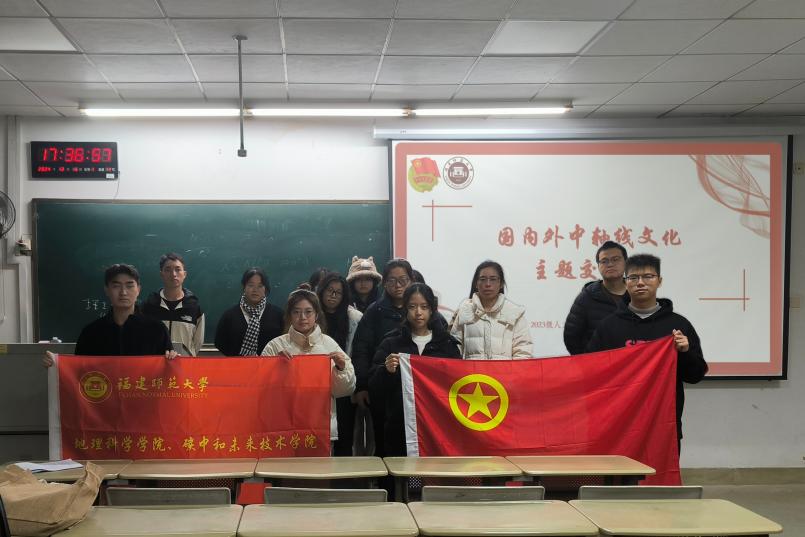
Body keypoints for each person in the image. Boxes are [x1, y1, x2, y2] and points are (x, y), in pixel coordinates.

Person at [586, 253, 708, 447]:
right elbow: (590, 372)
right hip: (618, 425)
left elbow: (695, 376)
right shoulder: (608, 326)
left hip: (664, 424)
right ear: (626, 283)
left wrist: (685, 352)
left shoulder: (678, 325)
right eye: (634, 277)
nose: (640, 283)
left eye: (648, 276)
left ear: (659, 281)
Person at [369, 283, 461, 457]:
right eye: (412, 307)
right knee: (403, 471)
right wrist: (386, 371)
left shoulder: (447, 345)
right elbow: (374, 387)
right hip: (400, 427)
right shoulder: (391, 343)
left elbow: (458, 385)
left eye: (424, 307)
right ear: (405, 308)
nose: (418, 312)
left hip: (438, 426)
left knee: (434, 470)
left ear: (432, 309)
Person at [261, 289, 356, 445]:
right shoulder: (275, 346)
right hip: (282, 427)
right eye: (296, 312)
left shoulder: (329, 345)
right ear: (289, 315)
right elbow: (261, 389)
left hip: (320, 427)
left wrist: (341, 369)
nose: (302, 317)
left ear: (316, 314)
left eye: (308, 312)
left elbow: (344, 390)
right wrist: (275, 367)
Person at [44, 264, 176, 365]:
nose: (123, 292)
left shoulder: (156, 330)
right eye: (116, 286)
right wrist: (55, 365)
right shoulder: (91, 333)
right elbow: (79, 371)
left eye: (129, 286)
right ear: (106, 290)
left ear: (138, 290)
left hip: (142, 393)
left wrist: (173, 361)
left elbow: (168, 374)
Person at [350, 258, 415, 457]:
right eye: (392, 280)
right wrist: (362, 385)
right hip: (383, 390)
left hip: (417, 392)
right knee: (385, 444)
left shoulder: (421, 309)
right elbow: (361, 350)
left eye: (403, 280)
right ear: (384, 283)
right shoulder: (374, 312)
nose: (398, 285)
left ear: (411, 281)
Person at [316, 272, 363, 456]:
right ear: (322, 291)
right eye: (330, 290)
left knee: (344, 436)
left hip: (343, 382)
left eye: (338, 292)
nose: (333, 295)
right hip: (315, 384)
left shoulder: (355, 318)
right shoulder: (311, 315)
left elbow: (359, 353)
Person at [450, 260, 532, 359]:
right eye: (483, 279)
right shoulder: (465, 311)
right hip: (472, 370)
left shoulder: (514, 313)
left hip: (504, 370)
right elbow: (453, 351)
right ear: (476, 283)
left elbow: (523, 353)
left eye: (493, 279)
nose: (488, 284)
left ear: (501, 283)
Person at [563, 241, 629, 355]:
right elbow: (571, 336)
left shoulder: (639, 294)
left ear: (626, 263)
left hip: (633, 363)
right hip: (599, 364)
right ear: (598, 266)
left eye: (615, 259)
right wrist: (588, 361)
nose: (610, 264)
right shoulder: (587, 297)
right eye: (604, 261)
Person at [141, 253, 205, 356]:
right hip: (155, 363)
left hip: (185, 364)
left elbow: (197, 343)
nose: (173, 274)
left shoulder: (194, 307)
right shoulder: (149, 306)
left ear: (184, 274)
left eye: (178, 269)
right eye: (168, 270)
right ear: (161, 274)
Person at [214, 267, 283, 356]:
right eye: (251, 285)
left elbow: (284, 342)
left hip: (270, 364)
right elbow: (219, 342)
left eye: (260, 286)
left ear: (265, 289)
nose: (255, 290)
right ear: (244, 287)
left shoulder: (278, 314)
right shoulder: (229, 316)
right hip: (237, 364)